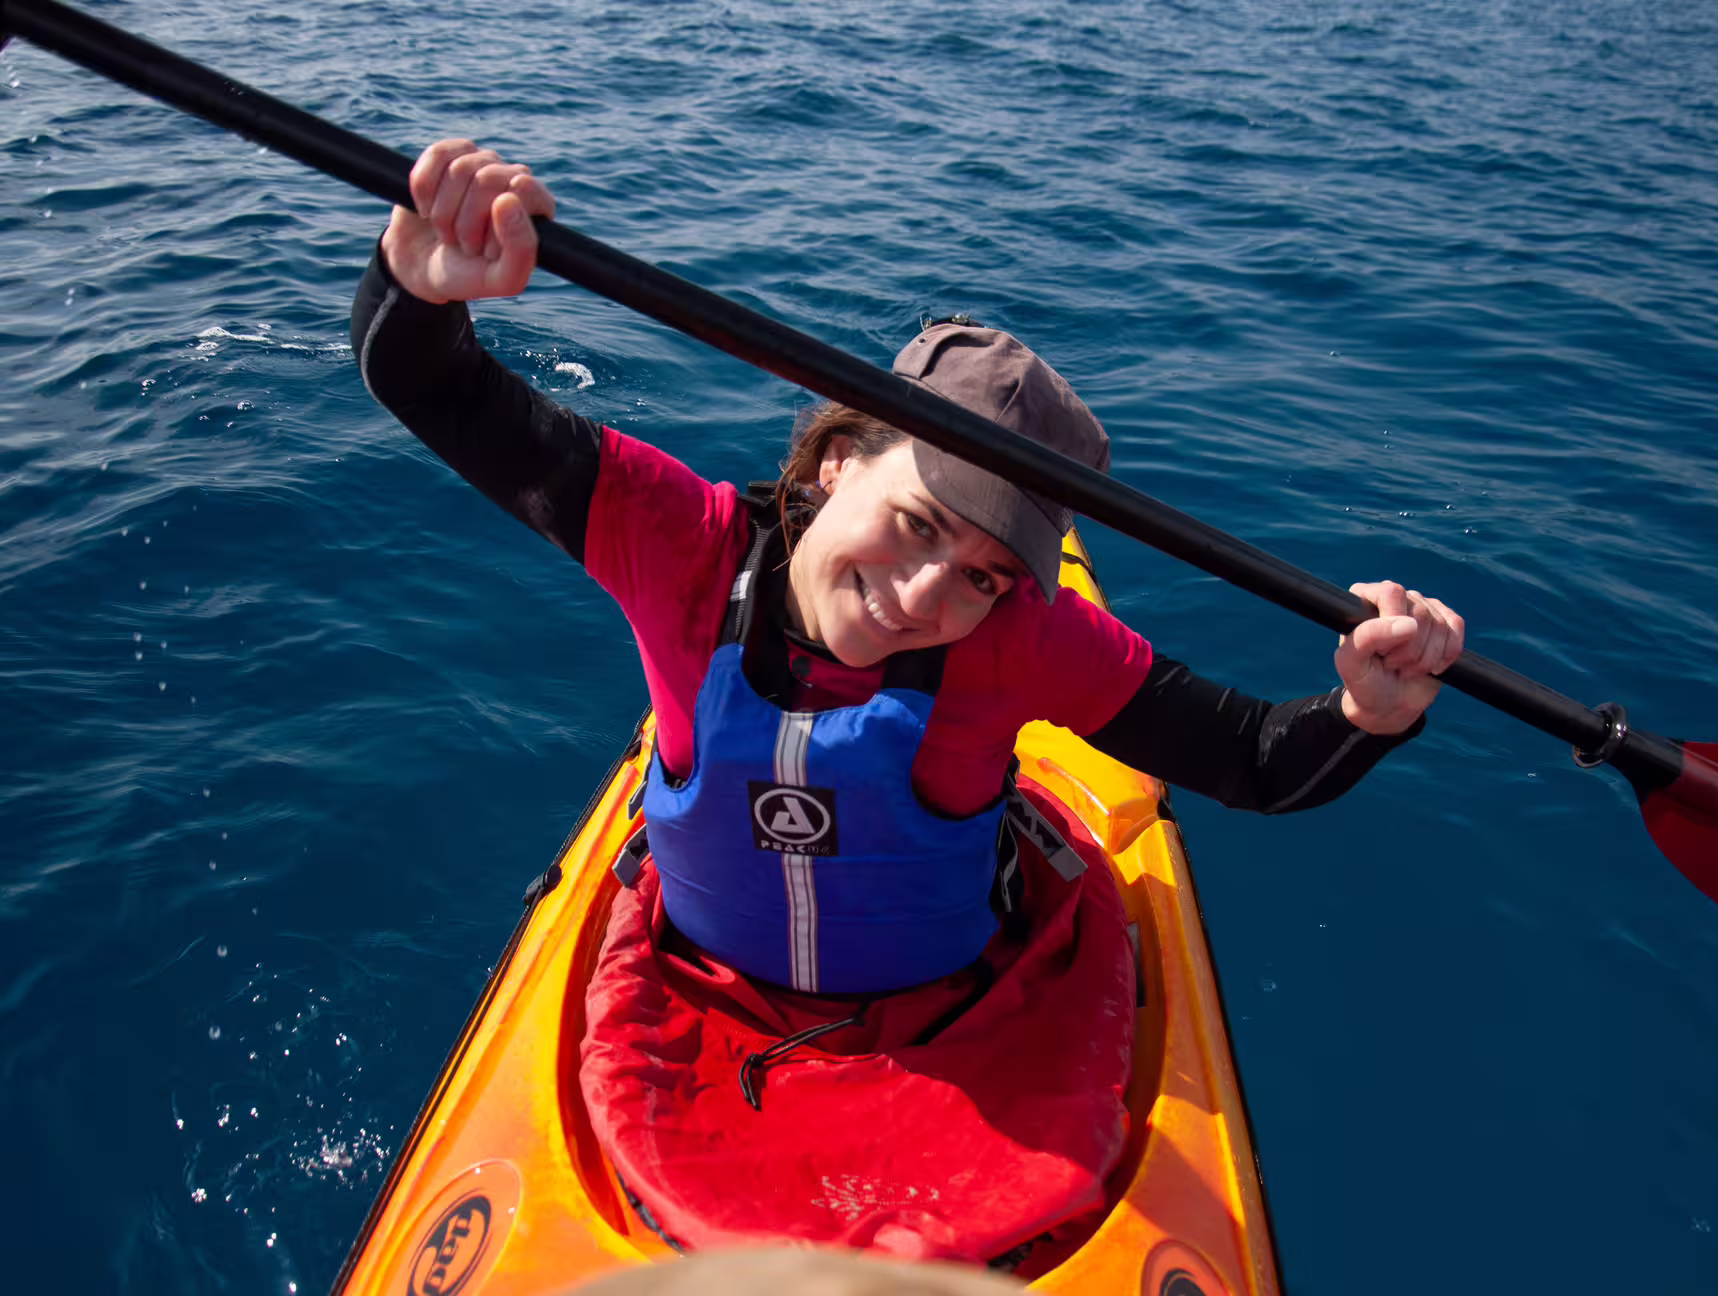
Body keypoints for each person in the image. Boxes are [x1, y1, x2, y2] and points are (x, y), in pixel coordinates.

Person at [352, 140, 1465, 1265]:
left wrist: (1368, 711)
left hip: (963, 1031)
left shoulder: (1027, 639)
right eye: (921, 523)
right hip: (702, 1017)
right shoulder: (676, 544)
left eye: (986, 572)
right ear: (838, 459)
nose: (927, 596)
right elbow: (428, 382)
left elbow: (1258, 762)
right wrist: (422, 284)